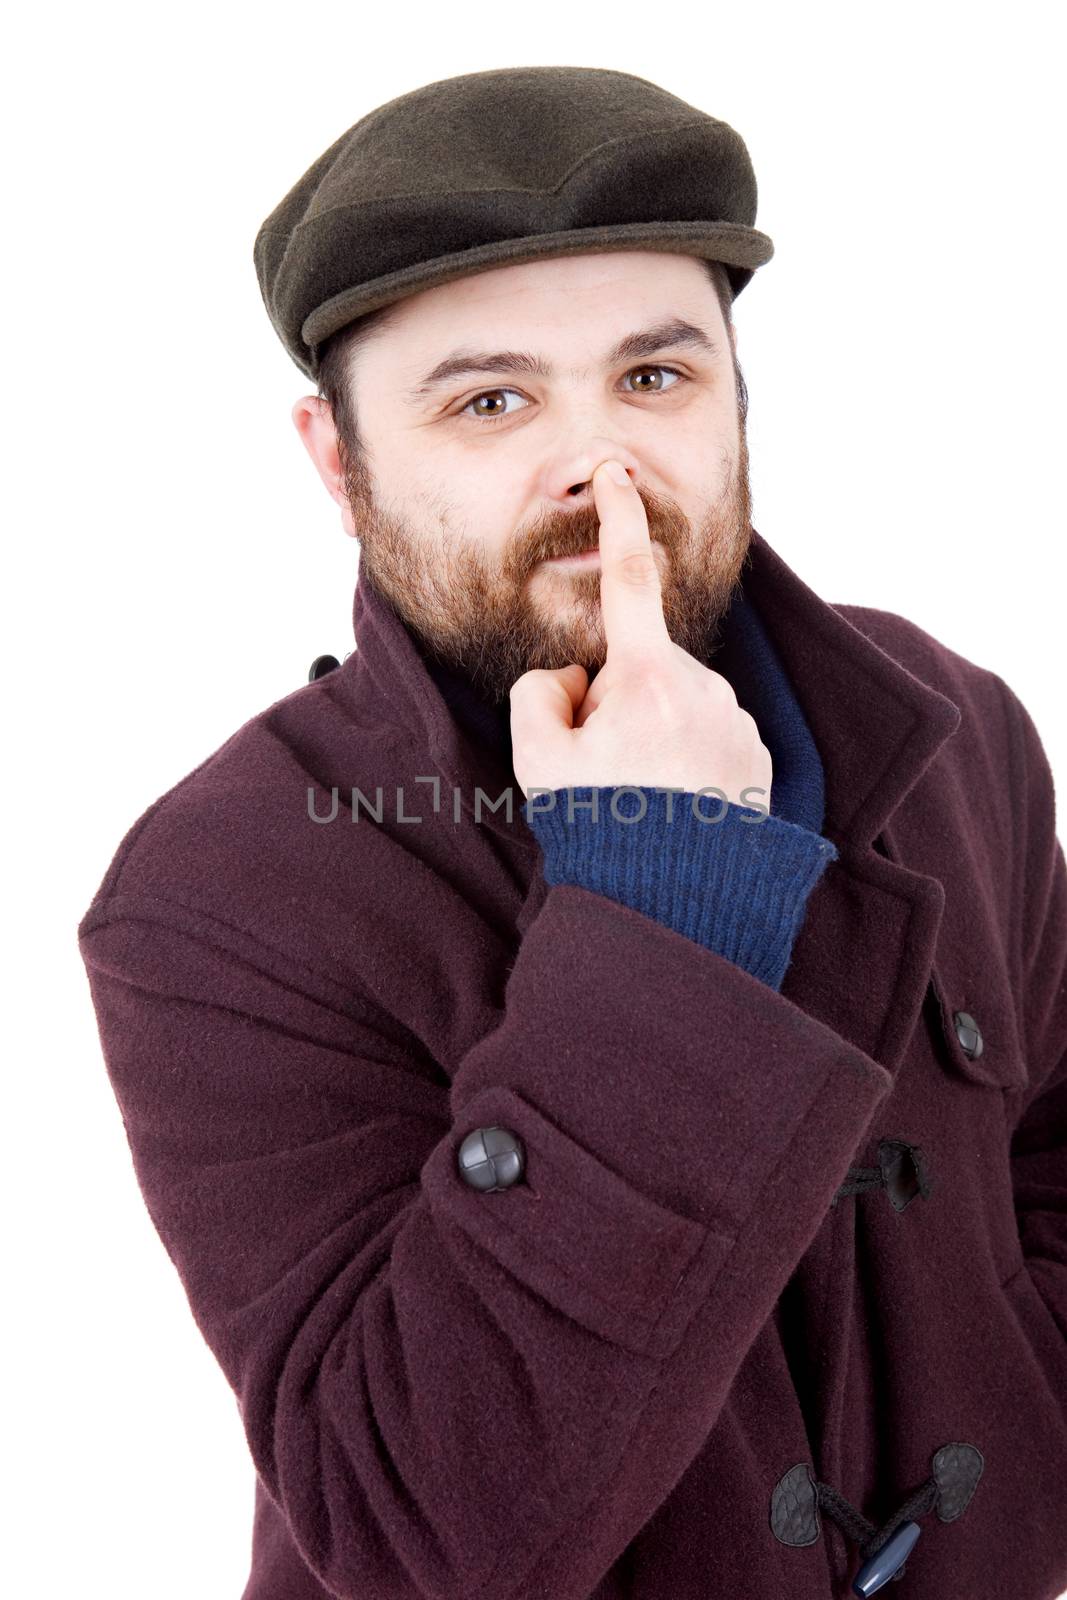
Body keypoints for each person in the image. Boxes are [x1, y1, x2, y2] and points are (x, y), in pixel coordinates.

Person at [77, 66, 1067, 1600]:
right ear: (339, 465)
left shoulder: (958, 725)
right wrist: (663, 899)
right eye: (491, 401)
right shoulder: (216, 890)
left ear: (739, 397)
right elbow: (418, 1541)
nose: (601, 469)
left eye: (656, 379)